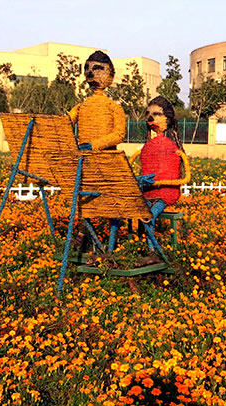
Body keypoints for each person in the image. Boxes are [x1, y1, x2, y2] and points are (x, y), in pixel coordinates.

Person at [136, 96, 190, 263]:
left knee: (148, 216)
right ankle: (147, 251)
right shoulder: (147, 147)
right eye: (148, 114)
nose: (151, 118)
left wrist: (160, 182)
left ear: (167, 118)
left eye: (157, 114)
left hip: (165, 193)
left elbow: (181, 175)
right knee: (138, 213)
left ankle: (155, 254)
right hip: (149, 192)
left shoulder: (171, 147)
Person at [68, 50, 126, 150]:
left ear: (110, 75)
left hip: (106, 159)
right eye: (87, 68)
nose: (91, 72)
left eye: (97, 69)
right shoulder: (80, 108)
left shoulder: (114, 108)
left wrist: (94, 145)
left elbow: (119, 134)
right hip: (84, 159)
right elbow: (65, 124)